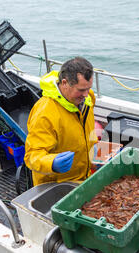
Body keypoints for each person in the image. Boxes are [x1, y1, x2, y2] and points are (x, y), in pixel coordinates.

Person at [24, 57, 98, 186]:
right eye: (81, 90)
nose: (87, 94)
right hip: (56, 184)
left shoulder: (87, 98)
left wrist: (97, 149)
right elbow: (32, 156)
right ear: (64, 83)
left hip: (84, 177)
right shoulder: (45, 113)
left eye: (89, 88)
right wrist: (52, 163)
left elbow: (85, 131)